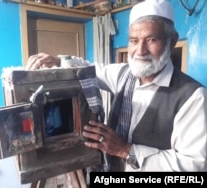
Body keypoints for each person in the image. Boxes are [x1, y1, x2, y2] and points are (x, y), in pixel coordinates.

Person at [26, 0, 207, 171]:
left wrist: (126, 150)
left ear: (172, 40)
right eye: (134, 41)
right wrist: (58, 60)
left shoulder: (193, 97)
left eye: (151, 40)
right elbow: (89, 69)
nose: (140, 51)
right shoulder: (123, 74)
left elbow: (192, 167)